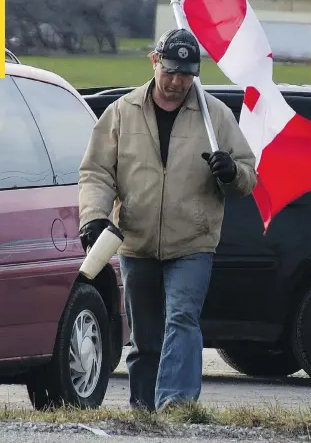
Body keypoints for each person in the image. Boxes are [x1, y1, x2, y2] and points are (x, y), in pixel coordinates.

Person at [78, 28, 257, 412]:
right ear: (154, 62)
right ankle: (144, 411)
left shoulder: (215, 116)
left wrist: (230, 173)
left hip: (193, 240)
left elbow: (247, 176)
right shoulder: (122, 112)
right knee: (145, 336)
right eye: (171, 71)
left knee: (182, 319)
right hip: (136, 240)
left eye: (187, 74)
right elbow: (96, 172)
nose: (177, 82)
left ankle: (176, 407)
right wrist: (93, 217)